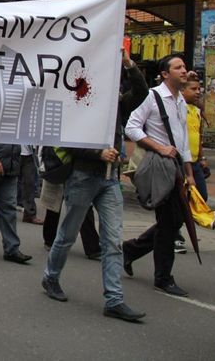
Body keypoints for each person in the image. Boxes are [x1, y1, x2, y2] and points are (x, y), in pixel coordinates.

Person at [41, 50, 148, 322]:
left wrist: (129, 65)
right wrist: (97, 153)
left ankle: (114, 299)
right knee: (67, 234)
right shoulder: (77, 102)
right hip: (83, 177)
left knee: (112, 241)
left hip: (110, 180)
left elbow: (142, 93)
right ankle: (50, 277)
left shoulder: (116, 105)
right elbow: (63, 139)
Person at [123, 54, 195, 297]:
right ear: (165, 74)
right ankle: (163, 277)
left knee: (174, 221)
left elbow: (183, 139)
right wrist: (158, 147)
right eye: (178, 67)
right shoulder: (153, 96)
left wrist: (188, 171)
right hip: (159, 167)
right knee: (169, 223)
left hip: (176, 167)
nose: (184, 70)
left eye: (184, 66)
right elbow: (131, 127)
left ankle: (131, 250)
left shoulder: (181, 102)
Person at [183, 75, 209, 201]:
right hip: (182, 163)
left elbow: (199, 137)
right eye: (193, 89)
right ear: (182, 90)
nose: (198, 92)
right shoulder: (179, 108)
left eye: (199, 89)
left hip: (195, 163)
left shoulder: (197, 111)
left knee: (202, 197)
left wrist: (202, 157)